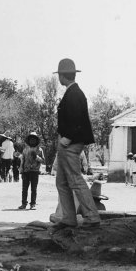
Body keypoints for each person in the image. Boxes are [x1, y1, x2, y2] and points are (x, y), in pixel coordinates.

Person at [51, 58, 101, 231]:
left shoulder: (74, 94)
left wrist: (67, 138)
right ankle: (69, 217)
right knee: (62, 182)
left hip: (70, 144)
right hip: (70, 143)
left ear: (62, 76)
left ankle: (92, 216)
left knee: (75, 180)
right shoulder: (74, 92)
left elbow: (76, 120)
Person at [19, 131, 44, 210]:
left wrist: (36, 157)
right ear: (29, 140)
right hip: (26, 171)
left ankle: (32, 204)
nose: (32, 141)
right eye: (31, 139)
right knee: (24, 189)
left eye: (34, 139)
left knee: (34, 189)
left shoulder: (39, 150)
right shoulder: (25, 149)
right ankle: (23, 204)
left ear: (36, 140)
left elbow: (43, 160)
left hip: (35, 171)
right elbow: (22, 160)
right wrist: (21, 170)